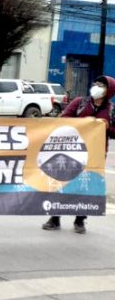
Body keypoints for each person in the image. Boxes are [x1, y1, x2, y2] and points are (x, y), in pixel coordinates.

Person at [42, 75, 115, 234]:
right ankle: (55, 218)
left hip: (95, 155)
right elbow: (64, 119)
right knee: (63, 184)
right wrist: (85, 122)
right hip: (72, 151)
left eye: (102, 85)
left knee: (86, 187)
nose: (97, 87)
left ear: (109, 90)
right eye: (96, 83)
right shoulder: (80, 103)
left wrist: (106, 127)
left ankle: (80, 220)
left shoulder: (111, 110)